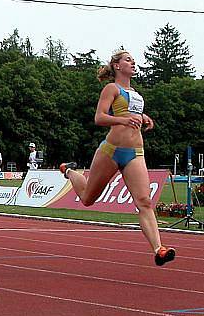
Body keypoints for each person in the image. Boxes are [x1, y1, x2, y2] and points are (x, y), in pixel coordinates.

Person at [59, 50, 175, 266]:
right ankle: (69, 170)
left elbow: (132, 115)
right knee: (87, 199)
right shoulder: (112, 88)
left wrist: (143, 118)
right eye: (128, 59)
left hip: (135, 153)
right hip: (111, 150)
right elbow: (100, 117)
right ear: (117, 66)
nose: (133, 62)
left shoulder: (137, 94)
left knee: (145, 201)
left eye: (133, 60)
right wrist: (123, 121)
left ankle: (159, 249)